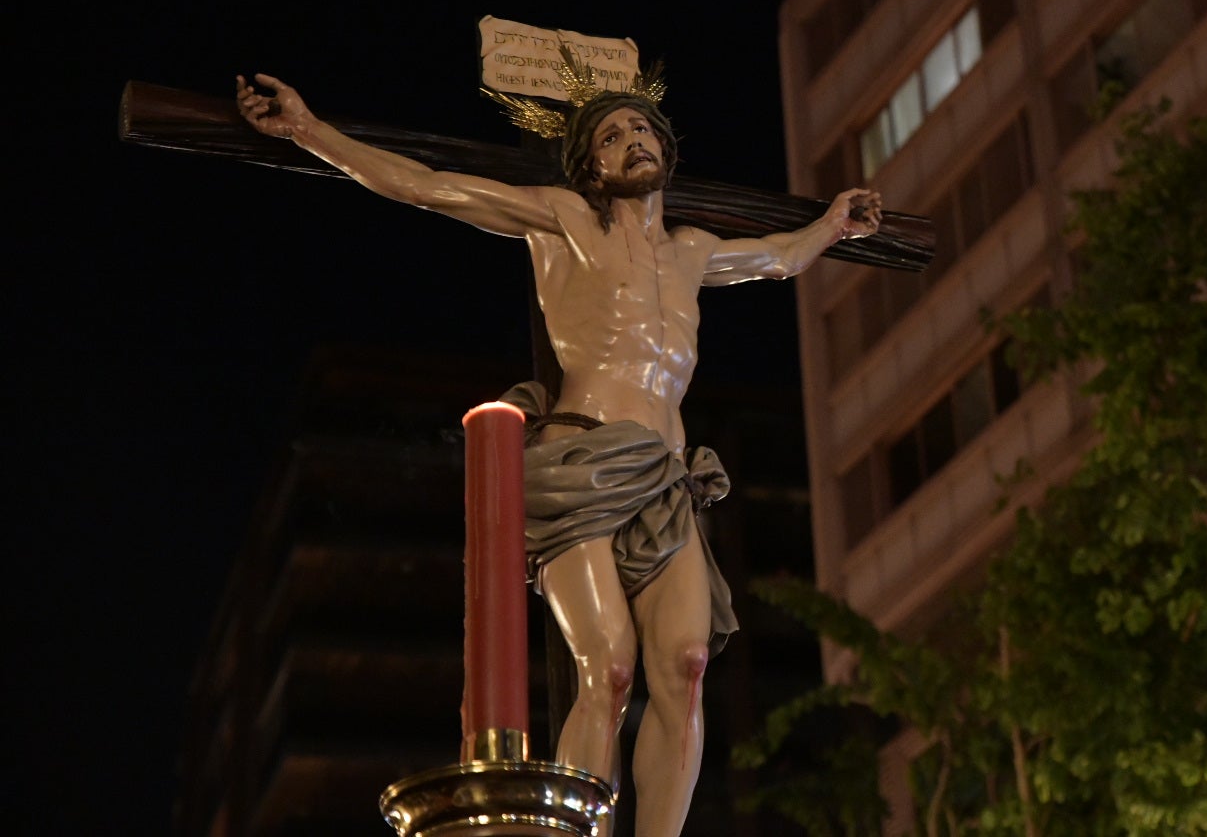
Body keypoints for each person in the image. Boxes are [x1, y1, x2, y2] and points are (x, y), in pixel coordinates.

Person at [236, 67, 880, 837]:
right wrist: (309, 130)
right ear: (590, 168)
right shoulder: (565, 220)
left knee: (686, 664)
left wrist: (834, 225)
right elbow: (430, 187)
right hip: (580, 464)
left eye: (641, 129)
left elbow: (779, 257)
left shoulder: (692, 252)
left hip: (665, 480)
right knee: (609, 669)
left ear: (666, 149)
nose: (631, 140)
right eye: (610, 136)